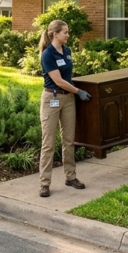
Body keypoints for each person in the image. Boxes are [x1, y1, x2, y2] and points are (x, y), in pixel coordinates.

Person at [38, 19, 91, 198]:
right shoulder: (48, 54)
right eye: (65, 32)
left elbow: (68, 76)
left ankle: (71, 177)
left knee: (69, 141)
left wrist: (76, 91)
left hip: (68, 99)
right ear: (56, 34)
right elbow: (59, 80)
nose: (68, 35)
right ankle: (44, 184)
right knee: (48, 143)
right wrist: (79, 92)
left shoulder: (67, 51)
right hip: (51, 98)